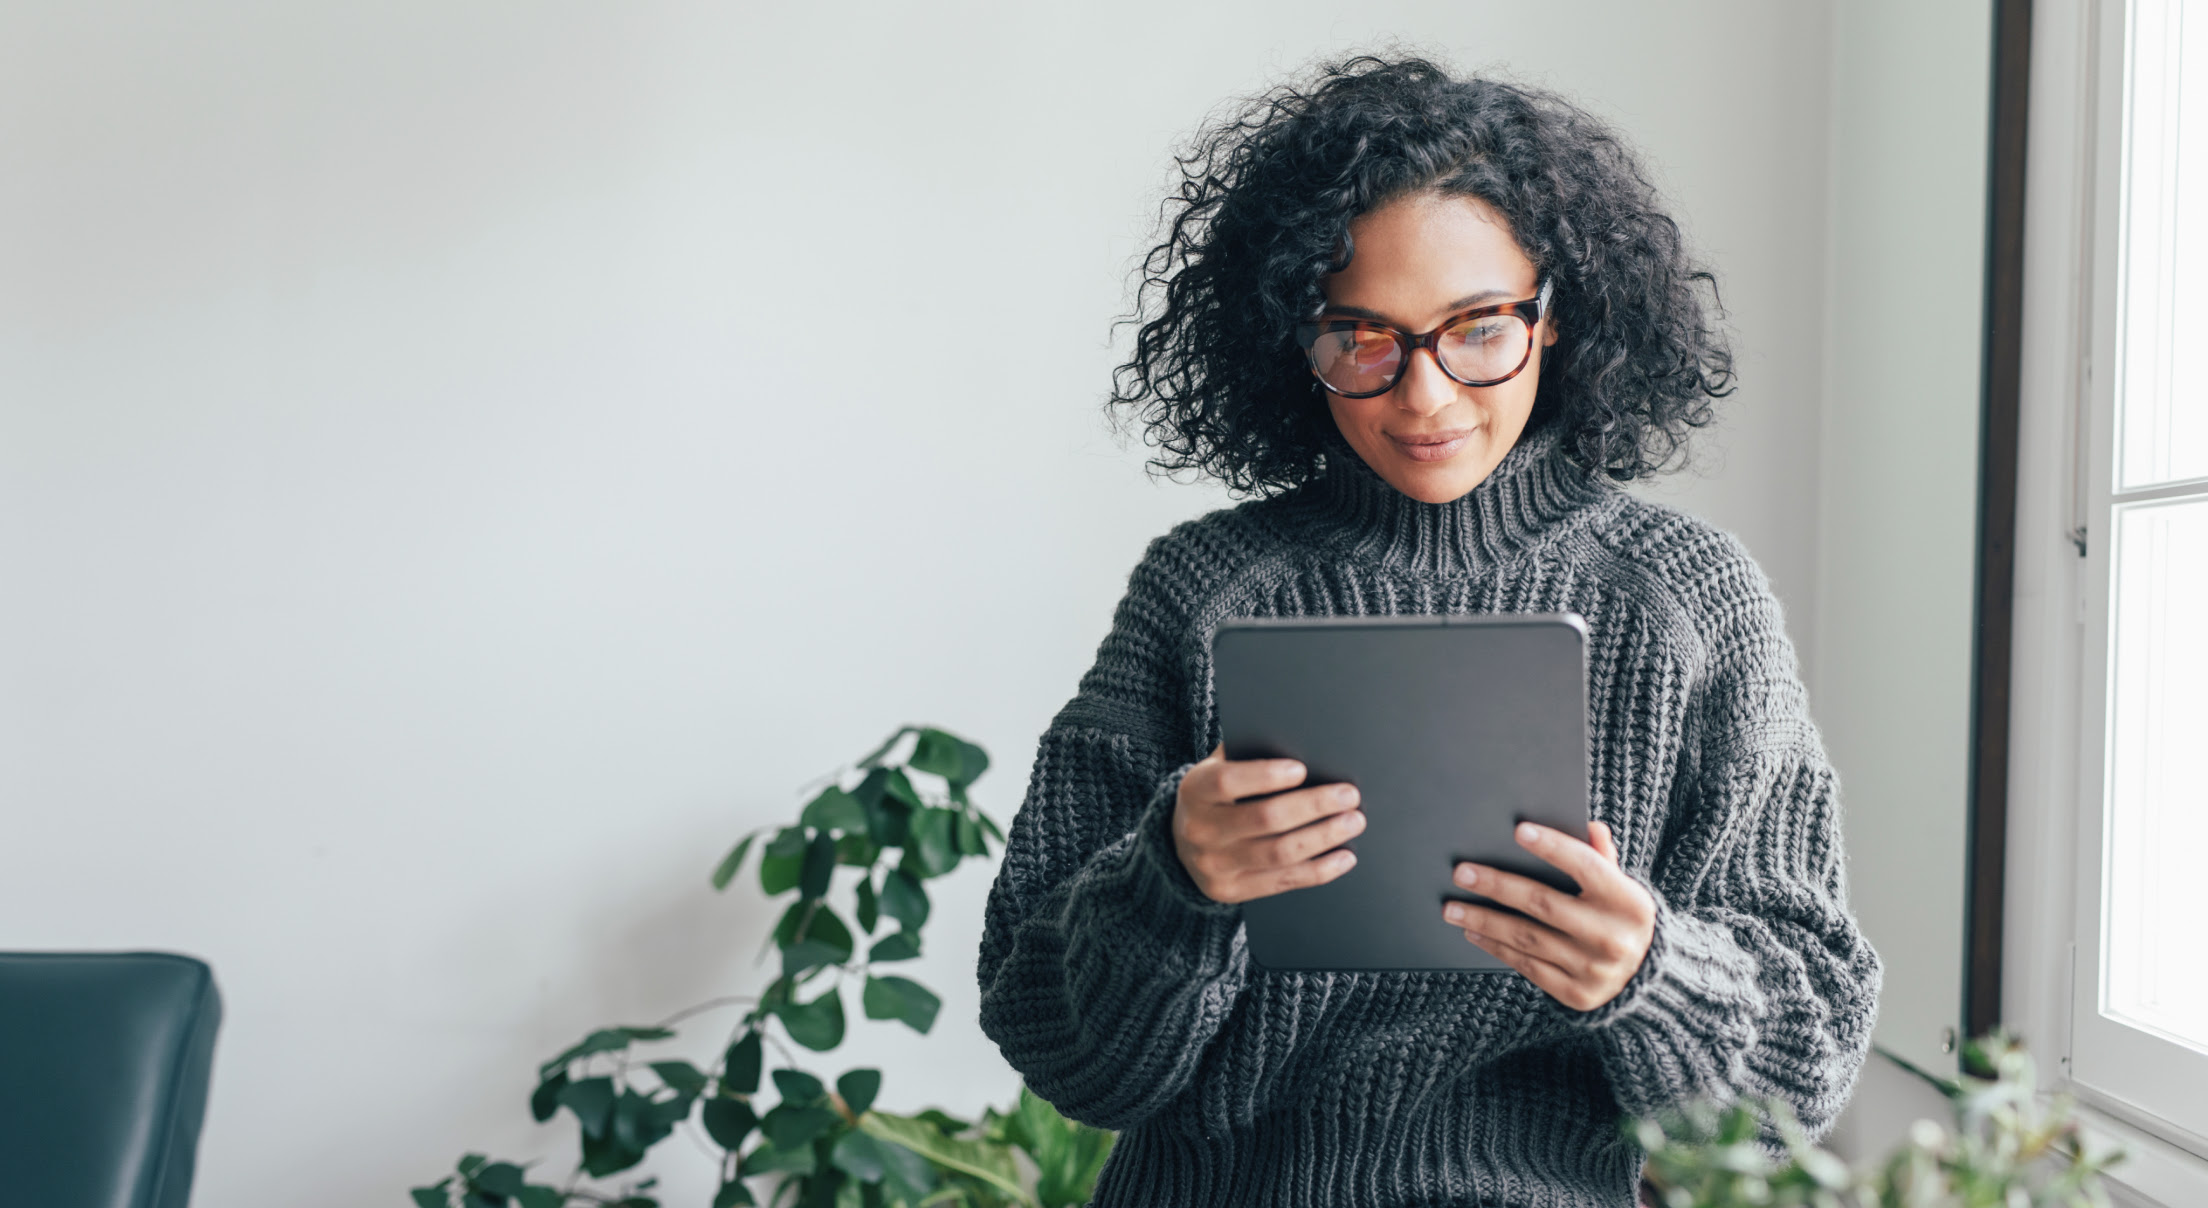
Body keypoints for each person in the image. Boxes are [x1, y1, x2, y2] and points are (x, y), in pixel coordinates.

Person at [975, 55, 1880, 1208]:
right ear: (1289, 338)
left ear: (1556, 315)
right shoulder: (1199, 591)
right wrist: (1174, 880)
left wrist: (1650, 974)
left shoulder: (1689, 600)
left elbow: (1800, 1074)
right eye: (1362, 338)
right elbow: (1055, 1039)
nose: (1426, 398)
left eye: (1477, 328)